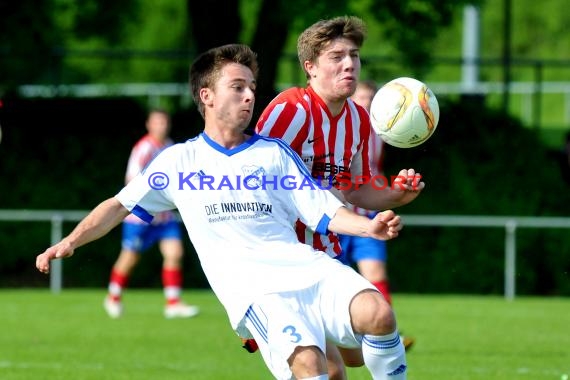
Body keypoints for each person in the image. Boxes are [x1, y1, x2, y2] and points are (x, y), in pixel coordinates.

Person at [36, 43, 408, 379]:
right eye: (238, 87)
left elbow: (323, 211)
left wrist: (370, 228)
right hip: (258, 293)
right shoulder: (180, 161)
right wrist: (70, 240)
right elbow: (118, 205)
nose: (250, 96)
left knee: (378, 313)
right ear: (207, 96)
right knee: (312, 366)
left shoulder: (275, 154)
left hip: (308, 268)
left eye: (251, 87)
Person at [255, 16, 423, 379]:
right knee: (329, 371)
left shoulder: (359, 120)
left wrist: (397, 194)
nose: (349, 64)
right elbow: (248, 180)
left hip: (323, 256)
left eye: (355, 55)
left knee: (359, 350)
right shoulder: (291, 111)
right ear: (310, 67)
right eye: (336, 57)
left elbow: (355, 188)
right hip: (277, 267)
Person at [338, 80, 415, 350]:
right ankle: (342, 334)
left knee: (375, 273)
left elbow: (373, 173)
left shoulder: (382, 130)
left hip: (368, 215)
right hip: (336, 219)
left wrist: (392, 193)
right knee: (336, 281)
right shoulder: (338, 128)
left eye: (372, 99)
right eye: (362, 98)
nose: (367, 104)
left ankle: (388, 335)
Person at [103, 108, 199, 319]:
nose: (161, 126)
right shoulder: (143, 148)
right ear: (149, 125)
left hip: (164, 218)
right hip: (140, 217)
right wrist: (151, 202)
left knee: (175, 254)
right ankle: (113, 297)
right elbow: (131, 180)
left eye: (164, 122)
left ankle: (173, 303)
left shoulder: (170, 147)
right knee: (129, 259)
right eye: (157, 123)